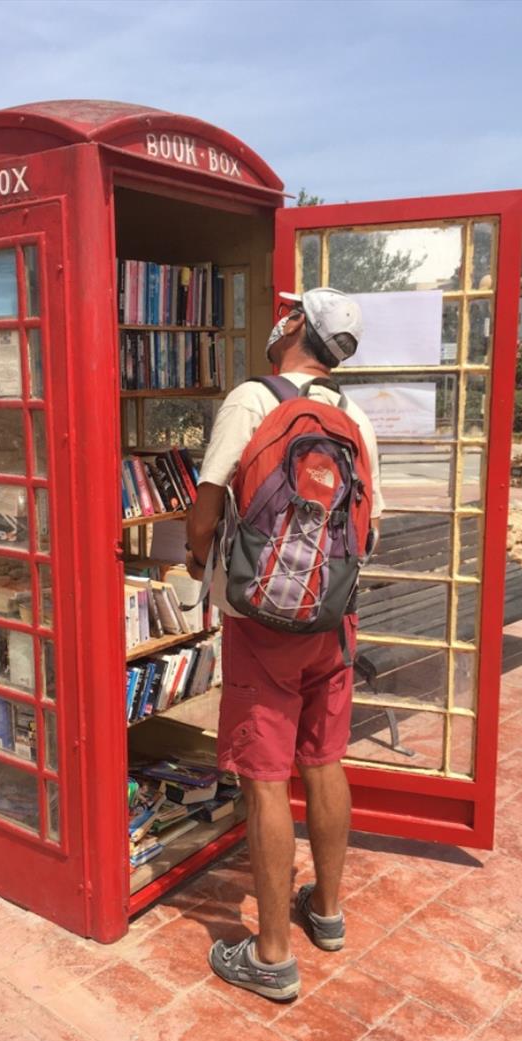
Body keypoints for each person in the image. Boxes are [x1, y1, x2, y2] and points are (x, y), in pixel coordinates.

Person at [185, 288, 383, 1001]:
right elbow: (372, 525)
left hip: (261, 623)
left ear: (296, 325)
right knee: (325, 759)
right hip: (334, 617)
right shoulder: (354, 415)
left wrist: (194, 555)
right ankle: (324, 914)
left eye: (288, 312)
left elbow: (206, 507)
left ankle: (270, 956)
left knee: (265, 777)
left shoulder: (251, 398)